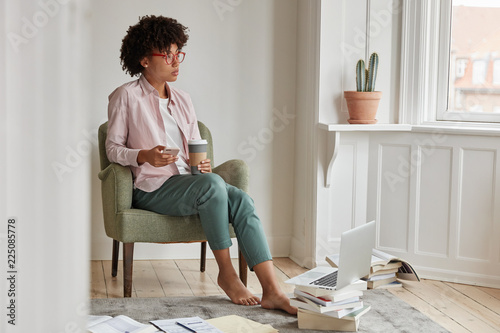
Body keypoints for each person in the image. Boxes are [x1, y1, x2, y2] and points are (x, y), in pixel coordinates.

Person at [105, 15, 297, 315]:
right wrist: (143, 155)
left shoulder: (183, 99)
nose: (175, 60)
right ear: (143, 59)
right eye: (166, 55)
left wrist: (202, 164)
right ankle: (227, 274)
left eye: (177, 53)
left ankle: (272, 290)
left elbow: (194, 143)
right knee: (213, 187)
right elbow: (112, 149)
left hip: (189, 182)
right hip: (151, 187)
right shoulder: (125, 97)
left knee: (243, 200)